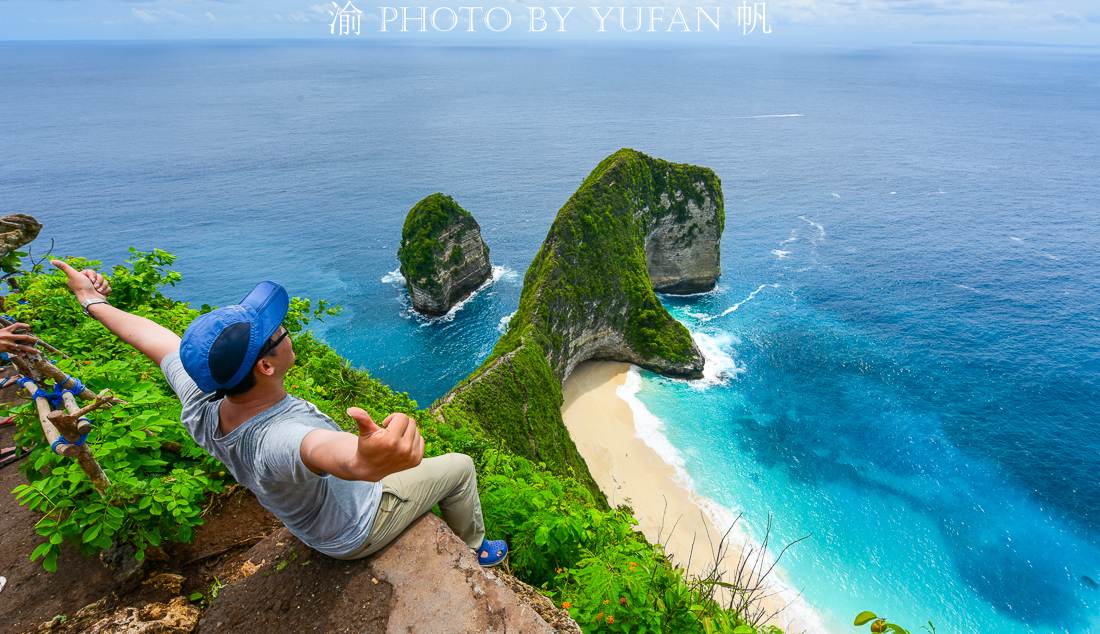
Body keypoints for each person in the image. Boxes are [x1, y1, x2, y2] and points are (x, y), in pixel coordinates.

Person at [50, 260, 507, 565]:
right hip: (353, 530)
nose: (286, 330)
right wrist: (366, 461)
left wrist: (92, 301)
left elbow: (151, 338)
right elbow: (322, 451)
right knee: (461, 467)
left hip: (310, 521)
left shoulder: (206, 399)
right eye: (278, 331)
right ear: (267, 365)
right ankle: (476, 551)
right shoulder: (278, 438)